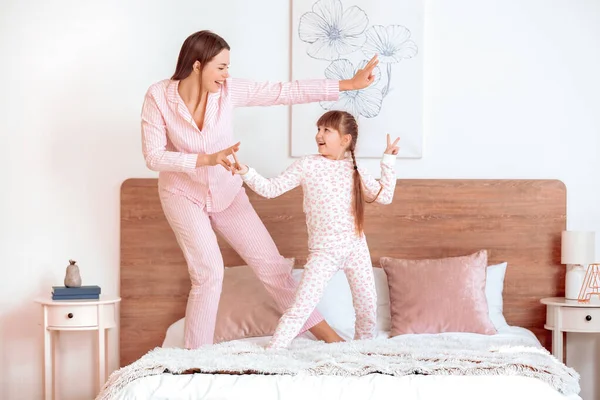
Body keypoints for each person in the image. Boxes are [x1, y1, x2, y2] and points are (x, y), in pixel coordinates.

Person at [141, 30, 379, 349]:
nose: (227, 74)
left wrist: (346, 85)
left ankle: (333, 341)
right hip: (182, 195)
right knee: (209, 274)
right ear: (197, 66)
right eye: (221, 67)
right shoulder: (158, 97)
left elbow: (283, 92)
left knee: (275, 269)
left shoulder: (228, 91)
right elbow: (153, 156)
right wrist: (207, 158)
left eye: (228, 67)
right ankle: (194, 360)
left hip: (227, 194)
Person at [232, 110, 399, 349]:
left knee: (367, 308)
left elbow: (385, 197)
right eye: (318, 129)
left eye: (326, 130)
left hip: (355, 247)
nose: (318, 135)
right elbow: (271, 189)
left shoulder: (355, 168)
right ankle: (271, 352)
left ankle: (362, 353)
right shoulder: (308, 165)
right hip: (324, 251)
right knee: (301, 306)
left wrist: (388, 161)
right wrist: (247, 172)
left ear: (345, 139)